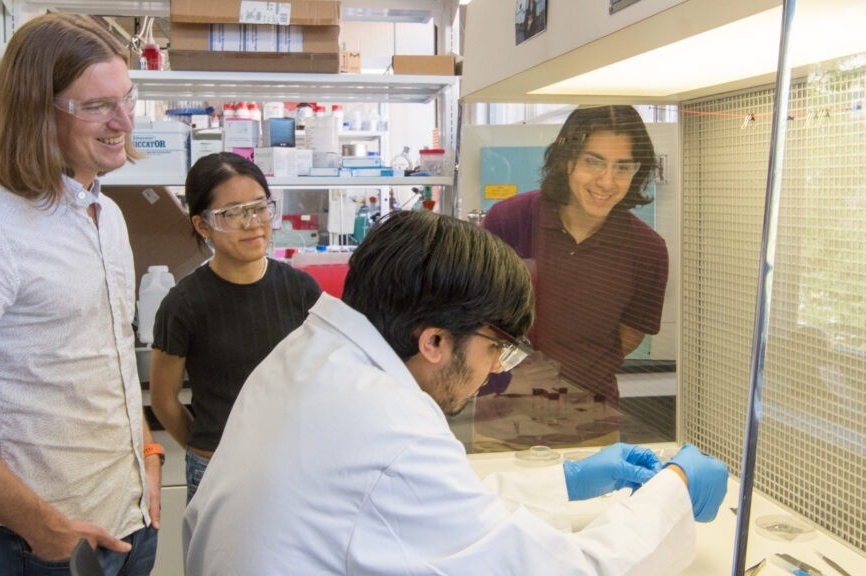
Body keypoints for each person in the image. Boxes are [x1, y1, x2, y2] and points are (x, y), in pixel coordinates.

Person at [182, 210, 728, 574]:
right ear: (437, 341)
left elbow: (425, 514)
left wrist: (566, 483)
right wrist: (674, 491)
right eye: (497, 348)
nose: (495, 371)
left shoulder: (309, 358)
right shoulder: (389, 427)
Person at [0, 13, 160, 575]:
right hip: (34, 549)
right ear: (39, 113)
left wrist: (149, 455)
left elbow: (107, 358)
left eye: (127, 98)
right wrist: (47, 530)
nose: (123, 121)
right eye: (96, 106)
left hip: (127, 528)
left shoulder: (105, 215)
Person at [149, 152, 321, 501]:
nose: (253, 222)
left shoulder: (301, 289)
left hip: (293, 466)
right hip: (218, 472)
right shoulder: (183, 304)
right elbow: (163, 401)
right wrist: (209, 450)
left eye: (259, 207)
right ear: (202, 225)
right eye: (232, 213)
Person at [483, 105, 669, 405]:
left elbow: (628, 337)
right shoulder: (509, 220)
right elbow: (471, 315)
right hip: (502, 408)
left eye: (623, 167)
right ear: (566, 160)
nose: (607, 182)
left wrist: (577, 368)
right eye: (593, 162)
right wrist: (513, 369)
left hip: (591, 415)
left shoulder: (648, 250)